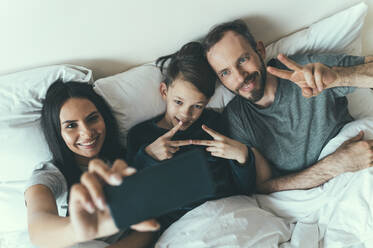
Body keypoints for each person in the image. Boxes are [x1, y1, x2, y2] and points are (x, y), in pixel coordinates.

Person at [202, 19, 373, 193]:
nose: (240, 77)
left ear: (260, 51)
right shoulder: (238, 117)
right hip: (309, 191)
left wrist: (338, 77)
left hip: (355, 162)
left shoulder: (305, 69)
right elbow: (264, 185)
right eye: (226, 73)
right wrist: (335, 165)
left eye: (243, 59)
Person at [126, 41, 272, 232]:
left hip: (232, 213)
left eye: (197, 106)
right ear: (164, 91)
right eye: (178, 102)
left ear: (207, 103)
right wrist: (148, 157)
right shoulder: (140, 136)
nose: (186, 114)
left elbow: (244, 189)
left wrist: (241, 157)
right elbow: (133, 200)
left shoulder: (214, 124)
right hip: (184, 227)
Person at [24, 80, 159, 248]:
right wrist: (76, 230)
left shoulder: (123, 162)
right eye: (71, 125)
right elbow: (38, 229)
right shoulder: (49, 174)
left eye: (92, 119)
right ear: (58, 133)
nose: (87, 133)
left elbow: (149, 227)